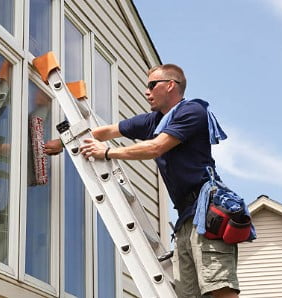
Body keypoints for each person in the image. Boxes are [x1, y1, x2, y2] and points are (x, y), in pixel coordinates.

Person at [44, 64, 240, 298]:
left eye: (151, 85)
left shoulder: (192, 111)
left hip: (206, 212)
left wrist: (107, 153)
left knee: (218, 288)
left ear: (170, 85)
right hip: (185, 218)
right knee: (188, 295)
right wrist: (62, 142)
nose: (146, 92)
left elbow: (156, 147)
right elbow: (107, 131)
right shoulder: (155, 121)